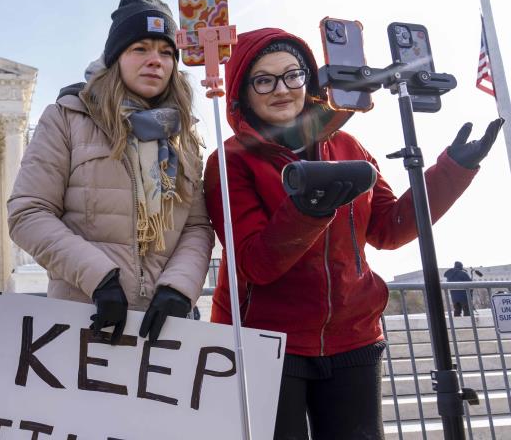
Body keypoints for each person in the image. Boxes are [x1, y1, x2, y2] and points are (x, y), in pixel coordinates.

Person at [203, 27, 504, 439]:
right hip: (265, 343)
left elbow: (388, 228)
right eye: (264, 79)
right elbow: (256, 264)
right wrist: (308, 210)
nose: (282, 89)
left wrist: (453, 171)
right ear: (242, 90)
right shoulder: (229, 161)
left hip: (353, 338)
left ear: (309, 79)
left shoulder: (347, 145)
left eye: (293, 74)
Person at [8, 0, 214, 344]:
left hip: (166, 330)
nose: (155, 61)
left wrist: (179, 288)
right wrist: (100, 278)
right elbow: (28, 213)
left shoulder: (183, 136)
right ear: (115, 57)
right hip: (85, 317)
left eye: (166, 52)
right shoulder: (67, 118)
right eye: (140, 49)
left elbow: (196, 226)